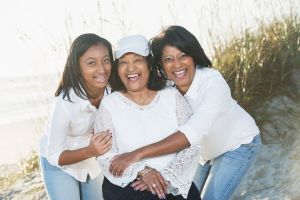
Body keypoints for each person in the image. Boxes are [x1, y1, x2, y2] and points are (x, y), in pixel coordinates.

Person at [109, 26, 261, 200]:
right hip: (204, 154)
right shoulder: (167, 88)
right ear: (160, 65)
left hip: (238, 144)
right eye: (168, 59)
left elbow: (191, 133)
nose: (177, 64)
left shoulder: (212, 83)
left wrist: (137, 155)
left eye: (183, 56)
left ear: (193, 56)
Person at [94, 34, 201, 200]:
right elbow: (106, 156)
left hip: (172, 182)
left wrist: (166, 177)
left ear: (149, 65)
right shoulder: (109, 104)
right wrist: (143, 171)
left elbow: (192, 144)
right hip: (131, 186)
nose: (130, 68)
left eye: (137, 60)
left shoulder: (171, 95)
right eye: (123, 62)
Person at [39, 33, 113, 200]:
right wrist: (90, 150)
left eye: (106, 60)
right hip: (59, 161)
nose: (102, 69)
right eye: (91, 63)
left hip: (92, 160)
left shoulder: (112, 92)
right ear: (77, 67)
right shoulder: (66, 103)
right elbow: (55, 156)